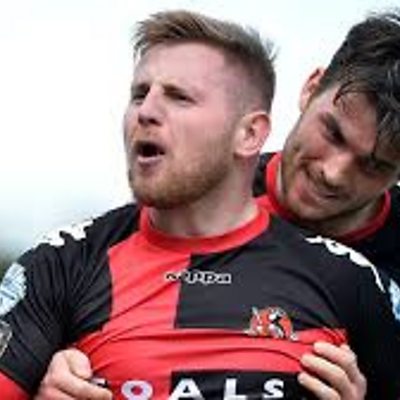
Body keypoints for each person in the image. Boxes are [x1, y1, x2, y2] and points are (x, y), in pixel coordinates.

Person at [1, 9, 399, 399]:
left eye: (373, 165)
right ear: (311, 89)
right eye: (332, 133)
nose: (333, 172)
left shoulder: (363, 285)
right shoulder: (196, 189)